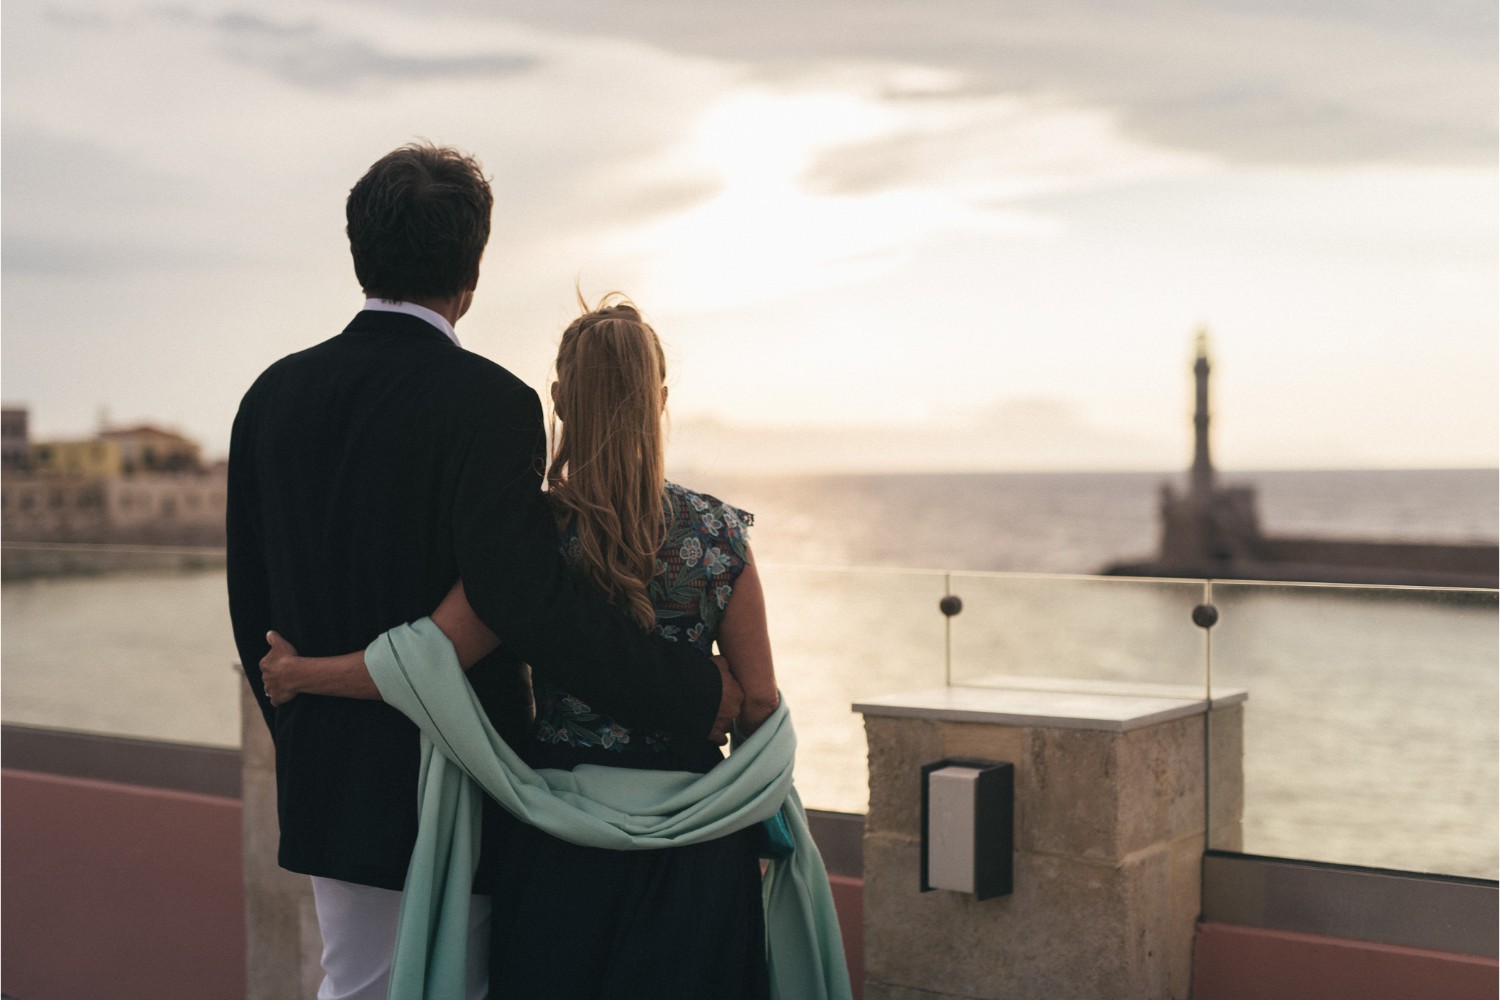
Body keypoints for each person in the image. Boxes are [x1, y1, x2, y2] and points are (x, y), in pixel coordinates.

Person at [226, 144, 741, 1000]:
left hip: (326, 770)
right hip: (458, 781)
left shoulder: (271, 395)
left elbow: (253, 604)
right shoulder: (490, 403)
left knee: (353, 981)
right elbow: (521, 597)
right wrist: (691, 692)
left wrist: (310, 726)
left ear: (359, 251)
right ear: (473, 269)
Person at [261, 297, 822, 999]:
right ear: (662, 399)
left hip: (562, 845)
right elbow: (760, 699)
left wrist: (301, 674)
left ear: (560, 398)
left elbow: (429, 657)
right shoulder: (719, 535)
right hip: (697, 845)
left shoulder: (535, 536)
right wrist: (749, 812)